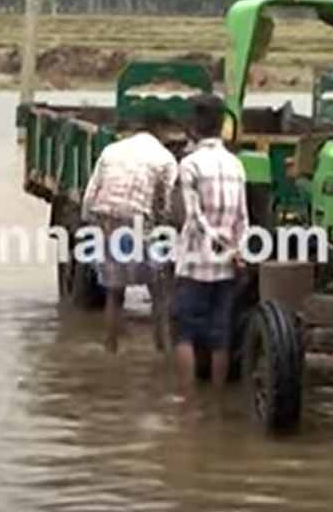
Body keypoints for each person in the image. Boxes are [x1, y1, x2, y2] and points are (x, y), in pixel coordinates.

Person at [171, 95, 249, 398]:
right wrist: (236, 250)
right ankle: (215, 402)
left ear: (193, 128)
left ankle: (187, 402)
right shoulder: (236, 165)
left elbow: (193, 217)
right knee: (220, 337)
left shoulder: (189, 164)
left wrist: (216, 241)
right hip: (226, 266)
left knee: (185, 334)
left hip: (194, 264)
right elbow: (243, 218)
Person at [80, 118, 178, 354]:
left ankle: (110, 348)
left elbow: (91, 194)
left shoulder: (111, 150)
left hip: (106, 218)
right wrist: (163, 228)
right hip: (136, 219)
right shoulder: (165, 158)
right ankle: (161, 349)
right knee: (158, 291)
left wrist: (88, 223)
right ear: (161, 134)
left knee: (114, 293)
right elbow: (164, 203)